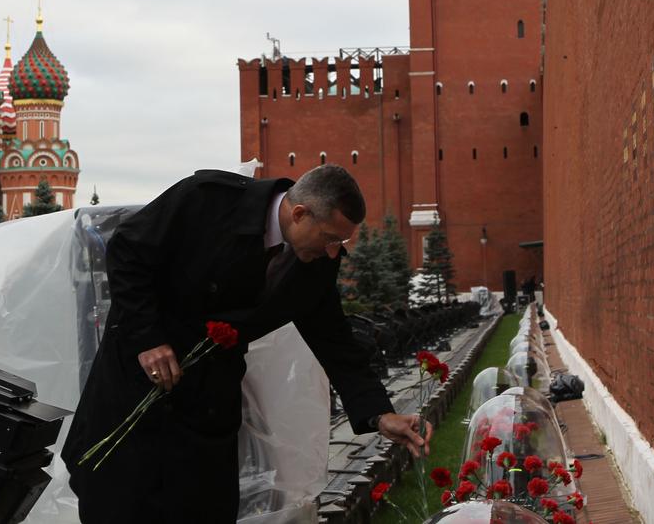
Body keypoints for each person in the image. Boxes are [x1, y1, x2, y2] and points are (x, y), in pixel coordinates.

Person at [63, 164, 431, 523]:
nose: (334, 252)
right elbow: (127, 251)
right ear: (299, 213)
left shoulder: (314, 262)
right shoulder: (207, 200)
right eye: (330, 238)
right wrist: (149, 339)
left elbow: (336, 341)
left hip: (207, 413)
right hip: (135, 392)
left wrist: (380, 414)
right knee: (119, 505)